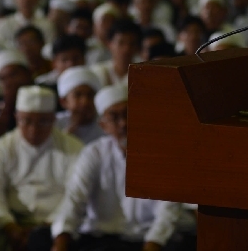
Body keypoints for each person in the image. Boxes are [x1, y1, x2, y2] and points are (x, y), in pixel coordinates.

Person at [50, 85, 182, 251]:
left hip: (148, 239)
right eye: (114, 117)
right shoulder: (94, 153)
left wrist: (152, 245)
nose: (123, 124)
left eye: (127, 114)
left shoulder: (161, 153)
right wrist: (61, 241)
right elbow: (74, 199)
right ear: (103, 125)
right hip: (103, 239)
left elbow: (168, 211)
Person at [0, 85, 83, 250]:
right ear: (16, 118)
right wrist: (9, 226)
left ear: (54, 120)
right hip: (11, 222)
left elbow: (75, 196)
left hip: (56, 224)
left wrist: (52, 225)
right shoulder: (2, 147)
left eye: (43, 121)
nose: (34, 129)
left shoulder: (74, 148)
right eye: (26, 121)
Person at [56, 66, 104, 145]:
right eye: (78, 95)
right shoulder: (55, 124)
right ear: (64, 102)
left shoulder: (107, 125)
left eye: (90, 95)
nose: (85, 102)